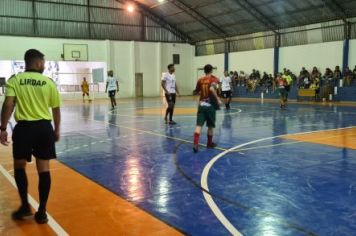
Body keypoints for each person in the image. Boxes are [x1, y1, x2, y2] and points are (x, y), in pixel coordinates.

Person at [0, 49, 61, 224]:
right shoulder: (49, 83)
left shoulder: (16, 80)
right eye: (43, 62)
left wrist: (3, 128)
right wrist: (56, 130)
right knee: (44, 169)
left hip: (24, 129)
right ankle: (42, 211)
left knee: (19, 166)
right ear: (36, 63)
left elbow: (8, 104)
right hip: (44, 128)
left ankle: (25, 206)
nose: (44, 65)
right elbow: (56, 109)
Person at [192, 64, 222, 153]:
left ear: (204, 71)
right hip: (210, 106)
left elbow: (195, 91)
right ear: (211, 70)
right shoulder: (214, 79)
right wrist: (218, 99)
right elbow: (212, 89)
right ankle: (209, 143)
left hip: (201, 105)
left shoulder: (200, 80)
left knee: (198, 126)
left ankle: (195, 144)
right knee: (210, 126)